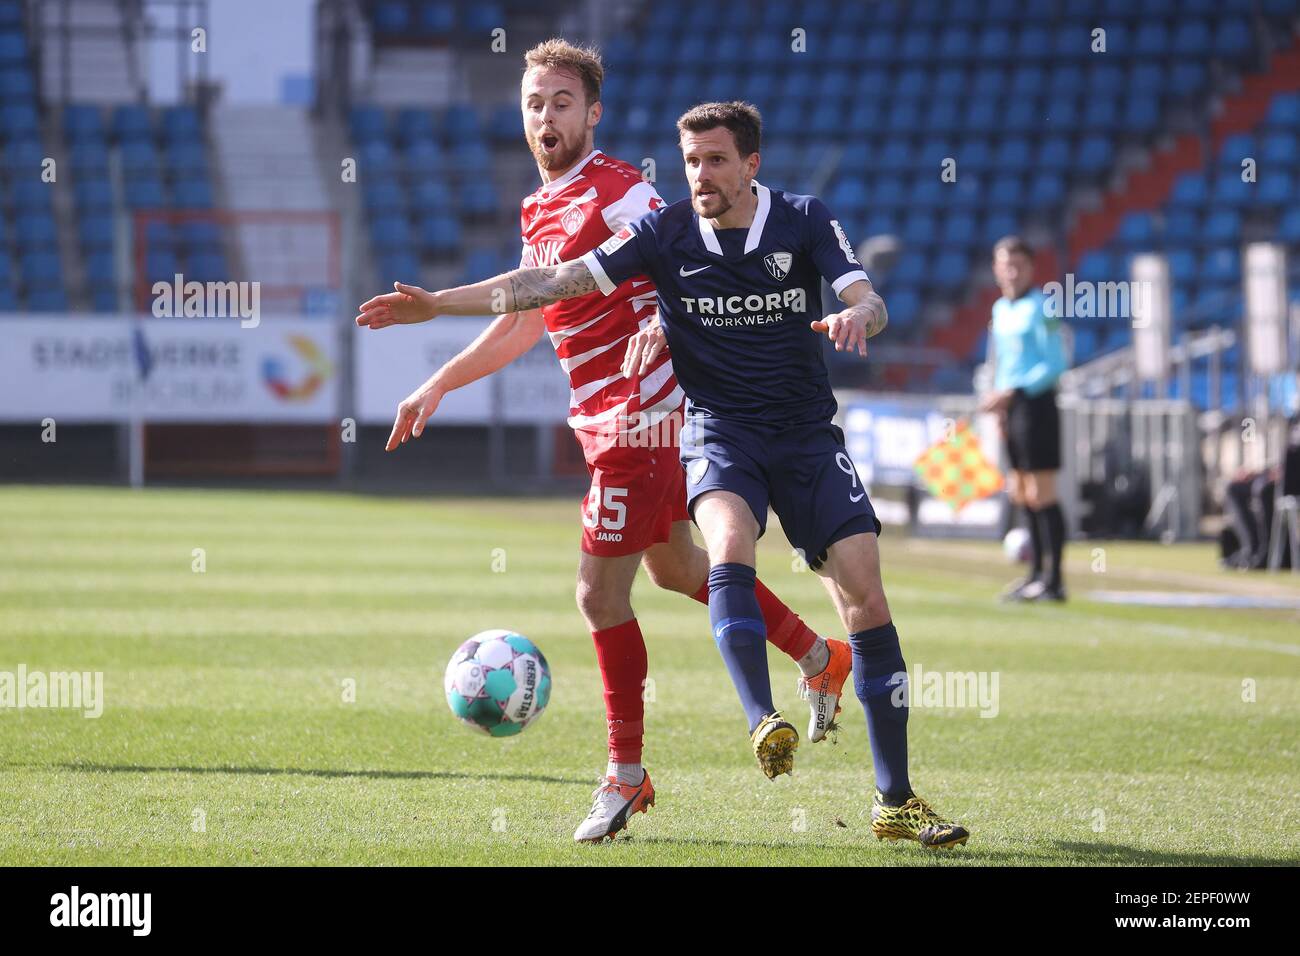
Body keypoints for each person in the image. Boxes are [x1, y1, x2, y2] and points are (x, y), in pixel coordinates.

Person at [362, 100, 969, 849]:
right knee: (704, 557)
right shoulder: (661, 228)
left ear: (751, 164)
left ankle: (892, 798)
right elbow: (550, 286)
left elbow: (863, 296)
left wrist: (860, 316)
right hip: (719, 431)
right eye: (691, 162)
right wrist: (440, 307)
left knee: (864, 594)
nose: (701, 176)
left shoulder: (789, 215)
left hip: (759, 429)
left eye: (716, 160)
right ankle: (762, 715)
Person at [980, 236, 1069, 602]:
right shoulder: (1001, 309)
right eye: (1005, 264)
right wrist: (1001, 404)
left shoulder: (1041, 309)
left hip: (1036, 405)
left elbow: (1055, 364)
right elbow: (1003, 364)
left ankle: (1055, 579)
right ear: (996, 269)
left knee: (1040, 492)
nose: (1011, 271)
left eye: (1018, 265)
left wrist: (1012, 392)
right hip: (1012, 408)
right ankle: (1035, 576)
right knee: (1020, 492)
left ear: (1031, 268)